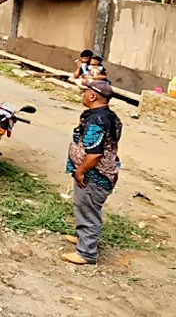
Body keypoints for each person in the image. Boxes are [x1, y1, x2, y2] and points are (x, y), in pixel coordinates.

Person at [63, 81, 122, 265]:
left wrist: (81, 170)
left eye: (85, 92)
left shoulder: (98, 120)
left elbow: (95, 153)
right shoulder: (109, 116)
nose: (83, 95)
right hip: (97, 173)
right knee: (83, 206)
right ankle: (83, 238)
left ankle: (87, 253)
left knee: (88, 209)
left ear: (93, 96)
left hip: (94, 175)